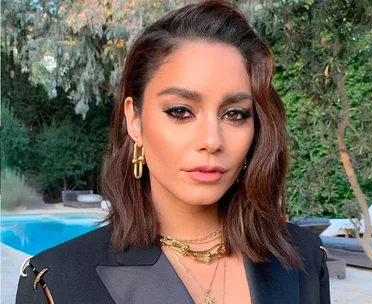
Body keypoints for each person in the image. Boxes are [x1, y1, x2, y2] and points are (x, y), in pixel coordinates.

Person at [16, 1, 330, 303]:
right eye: (180, 111)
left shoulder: (304, 258)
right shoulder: (58, 283)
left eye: (235, 114)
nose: (212, 140)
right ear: (135, 120)